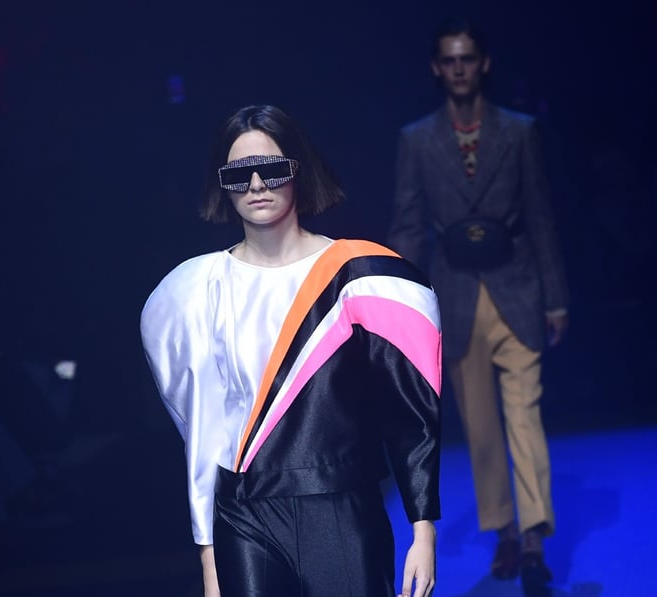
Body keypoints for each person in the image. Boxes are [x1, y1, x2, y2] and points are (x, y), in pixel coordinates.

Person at [140, 105, 441, 597]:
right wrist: (208, 555)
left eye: (273, 168)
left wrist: (422, 527)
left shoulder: (358, 276)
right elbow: (203, 431)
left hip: (341, 510)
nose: (257, 184)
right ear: (223, 184)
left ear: (298, 171)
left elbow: (408, 412)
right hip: (244, 516)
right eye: (239, 174)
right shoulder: (196, 292)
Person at [387, 18, 569, 585]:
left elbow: (541, 215)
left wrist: (556, 298)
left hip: (516, 285)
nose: (460, 68)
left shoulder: (519, 131)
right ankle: (505, 534)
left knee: (526, 414)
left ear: (484, 63)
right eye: (450, 59)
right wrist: (398, 305)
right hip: (457, 294)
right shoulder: (417, 140)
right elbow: (410, 225)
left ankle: (534, 534)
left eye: (469, 58)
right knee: (481, 427)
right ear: (437, 68)